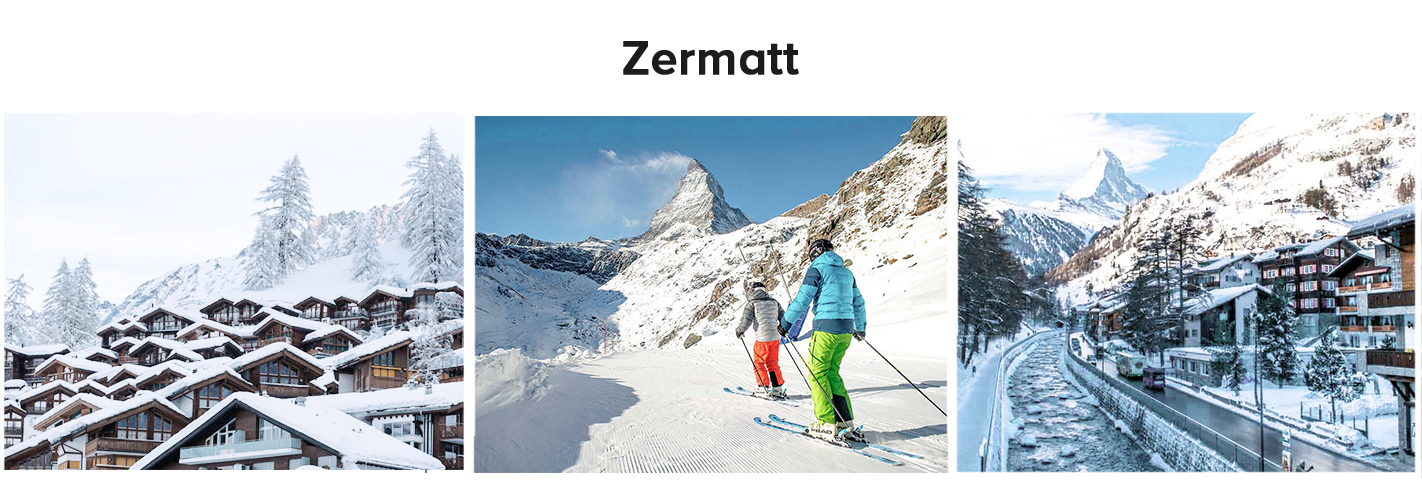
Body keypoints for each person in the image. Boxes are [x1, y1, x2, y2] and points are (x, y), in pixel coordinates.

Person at [780, 238, 866, 440]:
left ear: (814, 253)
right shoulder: (847, 272)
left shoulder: (816, 270)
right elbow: (859, 303)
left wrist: (785, 323)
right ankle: (845, 420)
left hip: (826, 329)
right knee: (832, 373)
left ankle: (826, 423)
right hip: (846, 330)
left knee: (818, 373)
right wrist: (860, 328)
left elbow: (802, 300)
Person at [735, 281, 787, 398]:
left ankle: (763, 387)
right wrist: (784, 329)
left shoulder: (751, 304)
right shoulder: (774, 302)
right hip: (775, 337)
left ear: (752, 290)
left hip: (762, 338)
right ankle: (777, 389)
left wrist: (740, 331)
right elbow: (783, 317)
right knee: (772, 363)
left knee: (759, 363)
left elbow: (746, 321)